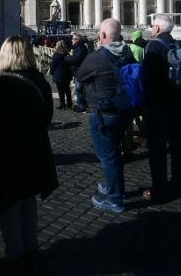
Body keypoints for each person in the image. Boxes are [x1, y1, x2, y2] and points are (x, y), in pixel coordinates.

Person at [0, 36, 57, 276]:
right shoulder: (41, 83)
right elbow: (47, 117)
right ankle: (31, 251)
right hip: (35, 154)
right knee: (28, 203)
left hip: (8, 158)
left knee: (9, 208)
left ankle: (14, 258)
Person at [76, 18, 135, 213]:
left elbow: (80, 76)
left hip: (104, 112)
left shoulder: (97, 57)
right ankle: (116, 187)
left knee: (108, 156)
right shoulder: (128, 53)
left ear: (101, 36)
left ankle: (115, 199)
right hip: (124, 110)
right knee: (115, 152)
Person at [142, 14, 181, 201]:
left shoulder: (153, 45)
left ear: (157, 28)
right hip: (178, 103)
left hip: (159, 104)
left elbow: (147, 78)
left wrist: (144, 103)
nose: (151, 28)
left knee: (158, 149)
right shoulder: (176, 44)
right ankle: (179, 185)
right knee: (178, 147)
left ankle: (159, 189)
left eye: (152, 26)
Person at [65, 33, 88, 112]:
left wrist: (66, 58)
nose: (71, 40)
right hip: (79, 71)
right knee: (80, 89)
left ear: (77, 40)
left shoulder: (81, 48)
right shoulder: (78, 47)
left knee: (79, 89)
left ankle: (81, 106)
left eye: (73, 38)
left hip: (81, 71)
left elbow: (76, 59)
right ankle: (81, 104)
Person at [49, 40, 73, 109]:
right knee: (67, 90)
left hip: (59, 75)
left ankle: (62, 104)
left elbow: (53, 65)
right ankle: (69, 103)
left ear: (58, 46)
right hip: (67, 75)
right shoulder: (66, 54)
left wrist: (51, 72)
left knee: (61, 91)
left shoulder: (56, 55)